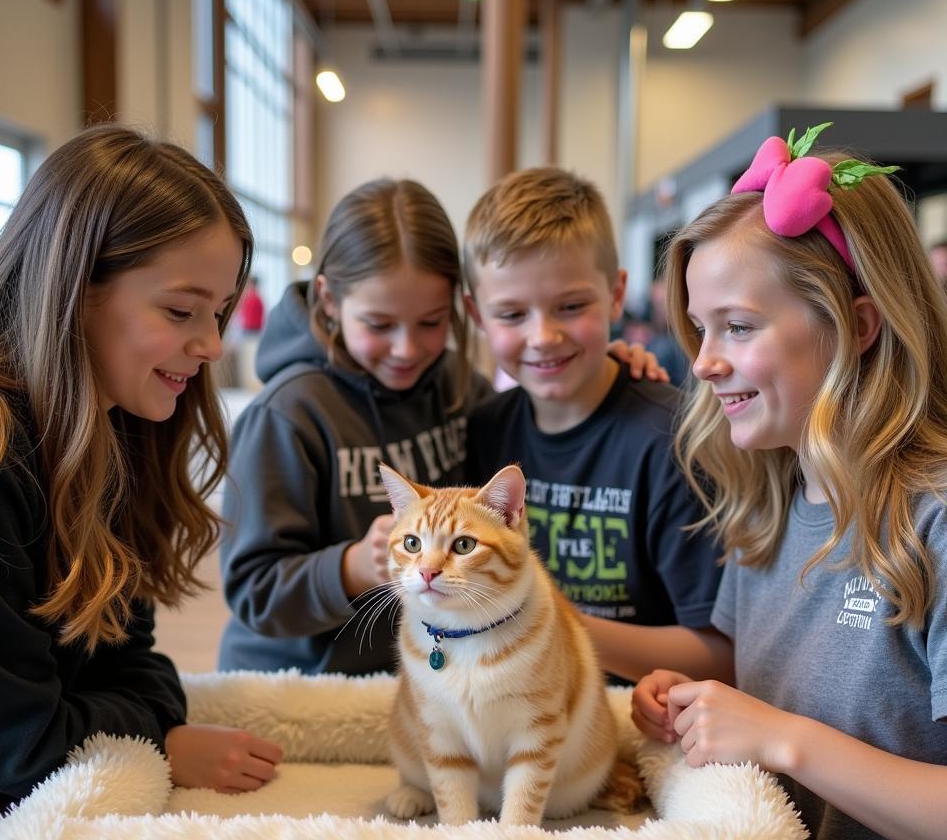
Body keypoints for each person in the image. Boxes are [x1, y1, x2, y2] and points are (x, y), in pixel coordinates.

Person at [631, 125, 947, 840]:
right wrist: (690, 694)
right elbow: (740, 652)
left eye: (738, 326)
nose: (702, 362)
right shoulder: (773, 494)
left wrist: (778, 737)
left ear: (859, 325)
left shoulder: (935, 520)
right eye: (699, 328)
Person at [0, 125, 283, 840]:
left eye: (215, 313)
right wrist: (160, 739)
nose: (211, 345)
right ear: (75, 288)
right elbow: (14, 743)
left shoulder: (118, 421)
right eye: (181, 312)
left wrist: (133, 716)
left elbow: (134, 662)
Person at [217, 177, 663, 676]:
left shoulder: (454, 384)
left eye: (430, 323)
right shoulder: (286, 416)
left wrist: (607, 366)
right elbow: (251, 590)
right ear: (328, 301)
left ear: (458, 310)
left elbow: (518, 441)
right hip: (299, 684)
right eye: (380, 325)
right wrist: (350, 568)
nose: (407, 348)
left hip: (427, 674)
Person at [463, 167, 729, 685]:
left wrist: (550, 623)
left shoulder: (673, 440)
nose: (543, 336)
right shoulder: (480, 431)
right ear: (476, 315)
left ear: (614, 295)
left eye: (571, 306)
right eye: (512, 314)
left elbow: (721, 655)